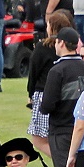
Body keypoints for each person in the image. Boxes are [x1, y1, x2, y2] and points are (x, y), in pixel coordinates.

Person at [41, 27, 84, 167]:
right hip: (83, 126)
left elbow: (48, 104)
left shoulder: (57, 70)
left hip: (61, 127)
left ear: (61, 43)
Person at [26, 10, 72, 159]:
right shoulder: (70, 47)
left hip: (43, 93)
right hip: (64, 95)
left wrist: (30, 93)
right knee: (56, 138)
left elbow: (33, 72)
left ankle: (63, 162)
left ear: (51, 27)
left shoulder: (43, 47)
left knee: (38, 139)